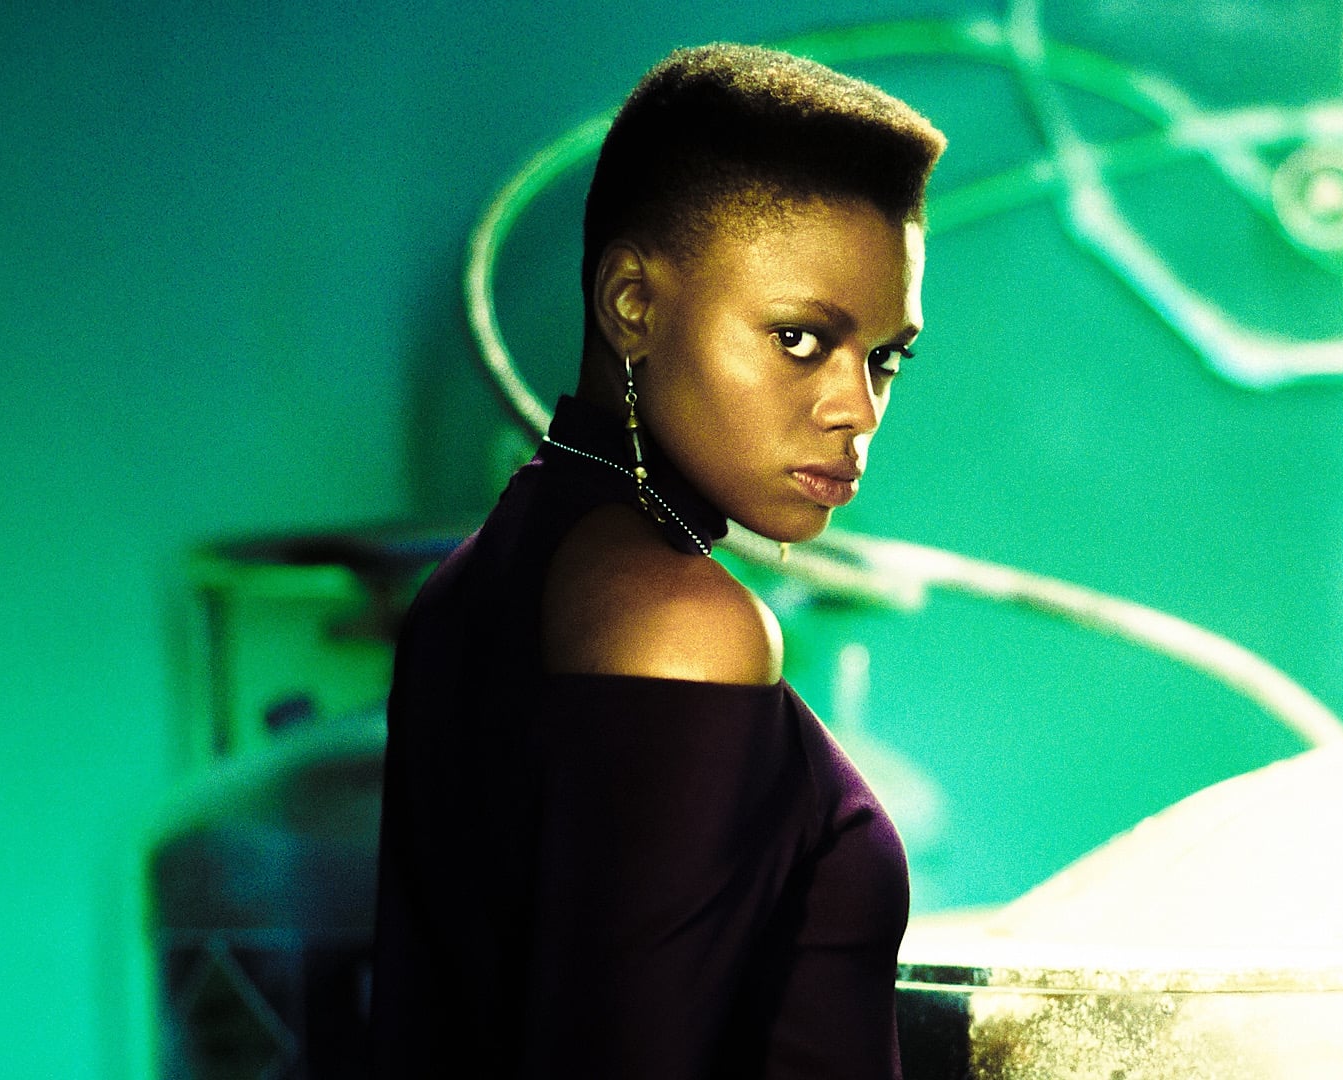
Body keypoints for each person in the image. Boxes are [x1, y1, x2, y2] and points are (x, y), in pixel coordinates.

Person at [368, 43, 946, 1078]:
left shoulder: (488, 575)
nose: (856, 408)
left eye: (884, 357)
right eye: (800, 339)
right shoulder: (678, 622)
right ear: (632, 304)